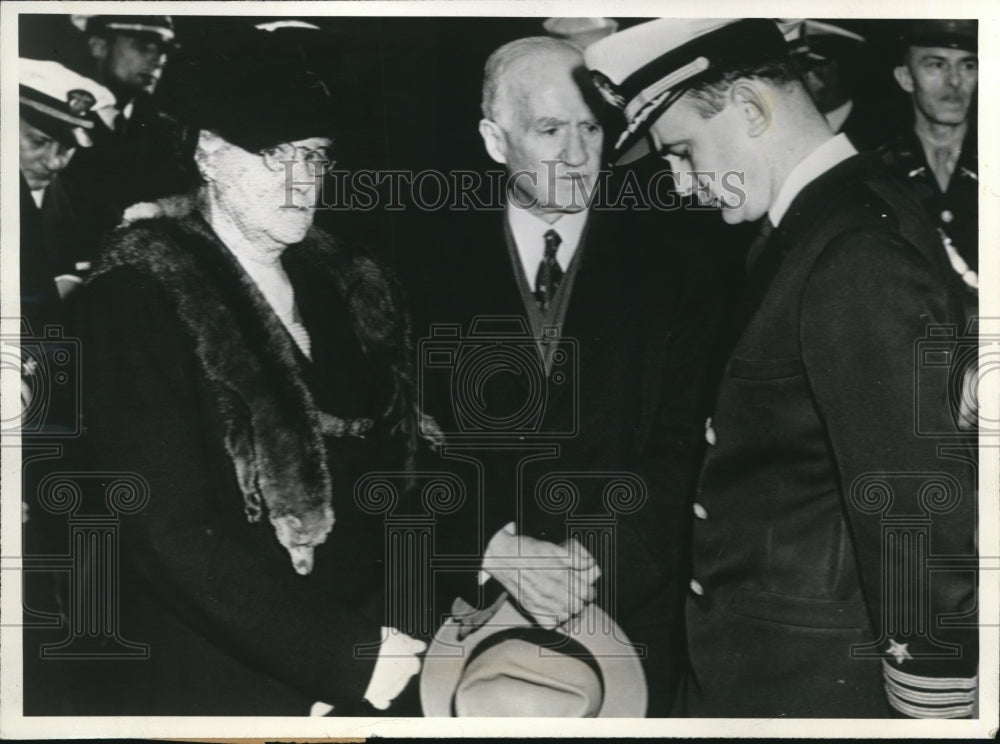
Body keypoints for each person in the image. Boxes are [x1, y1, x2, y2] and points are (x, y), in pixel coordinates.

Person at [585, 18, 977, 718]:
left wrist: (932, 699)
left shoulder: (853, 255)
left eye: (682, 152)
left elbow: (910, 501)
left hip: (813, 679)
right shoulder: (832, 218)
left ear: (749, 107)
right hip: (776, 659)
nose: (681, 184)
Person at [55, 26, 429, 716]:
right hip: (219, 675)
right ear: (208, 154)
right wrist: (338, 654)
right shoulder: (137, 297)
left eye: (314, 156)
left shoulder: (340, 284)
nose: (301, 181)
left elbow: (393, 472)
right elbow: (162, 532)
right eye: (275, 155)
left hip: (364, 656)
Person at [407, 35, 721, 715]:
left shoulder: (684, 260)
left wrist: (591, 562)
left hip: (627, 620)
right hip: (460, 622)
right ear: (495, 140)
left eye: (591, 129)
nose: (578, 155)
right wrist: (491, 545)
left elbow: (686, 448)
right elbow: (398, 442)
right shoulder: (413, 263)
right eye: (550, 130)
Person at [59, 15, 191, 272]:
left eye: (163, 50)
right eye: (143, 47)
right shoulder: (58, 123)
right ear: (99, 46)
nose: (157, 60)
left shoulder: (166, 132)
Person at [880, 19, 978, 292]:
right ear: (906, 78)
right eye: (937, 65)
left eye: (968, 66)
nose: (955, 81)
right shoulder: (880, 168)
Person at [780, 19, 890, 151]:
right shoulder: (786, 133)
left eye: (811, 65)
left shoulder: (880, 131)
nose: (803, 76)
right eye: (794, 67)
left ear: (848, 66)